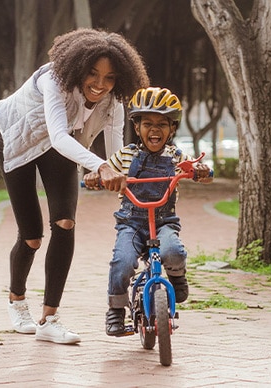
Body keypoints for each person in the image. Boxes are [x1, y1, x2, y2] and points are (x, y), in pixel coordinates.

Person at [0, 28, 149, 344]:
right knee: (32, 237)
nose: (99, 85)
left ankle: (49, 319)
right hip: (19, 141)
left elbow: (115, 148)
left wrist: (116, 171)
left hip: (60, 148)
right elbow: (59, 135)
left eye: (109, 78)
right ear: (78, 68)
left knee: (65, 223)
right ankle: (16, 299)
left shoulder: (113, 103)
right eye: (92, 74)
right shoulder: (53, 80)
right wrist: (99, 165)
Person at [82, 87, 213, 337]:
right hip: (132, 223)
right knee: (122, 262)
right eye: (148, 123)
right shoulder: (127, 154)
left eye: (162, 124)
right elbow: (105, 170)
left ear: (172, 128)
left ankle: (176, 276)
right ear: (137, 126)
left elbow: (197, 171)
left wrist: (202, 172)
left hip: (164, 222)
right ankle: (116, 311)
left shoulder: (176, 156)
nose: (155, 130)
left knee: (173, 251)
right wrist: (95, 176)